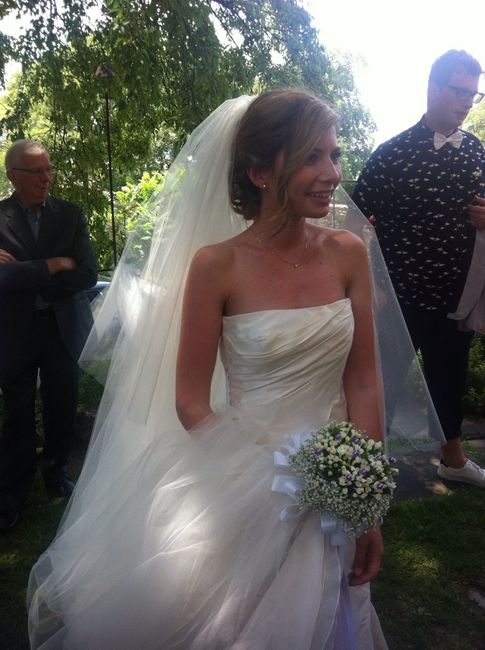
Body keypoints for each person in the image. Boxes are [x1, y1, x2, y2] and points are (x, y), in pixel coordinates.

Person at [27, 89, 442, 649]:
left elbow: (364, 381)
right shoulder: (216, 265)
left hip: (338, 485)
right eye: (312, 157)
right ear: (260, 172)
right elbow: (190, 401)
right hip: (242, 481)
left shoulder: (348, 252)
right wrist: (266, 480)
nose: (332, 173)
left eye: (334, 154)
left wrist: (364, 500)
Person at [353, 49, 485, 487]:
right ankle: (366, 466)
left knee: (449, 380)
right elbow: (354, 221)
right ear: (432, 88)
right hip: (397, 296)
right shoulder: (391, 154)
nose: (467, 102)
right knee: (382, 384)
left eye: (473, 94)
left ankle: (452, 461)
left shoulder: (478, 153)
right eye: (459, 91)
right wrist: (369, 284)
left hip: (456, 297)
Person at [0, 140, 98, 532]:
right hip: (14, 330)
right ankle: (14, 491)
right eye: (37, 171)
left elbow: (86, 274)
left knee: (62, 404)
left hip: (61, 328)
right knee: (18, 413)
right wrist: (52, 265)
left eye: (48, 169)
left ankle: (56, 472)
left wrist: (22, 273)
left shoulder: (70, 215)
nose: (46, 178)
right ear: (13, 176)